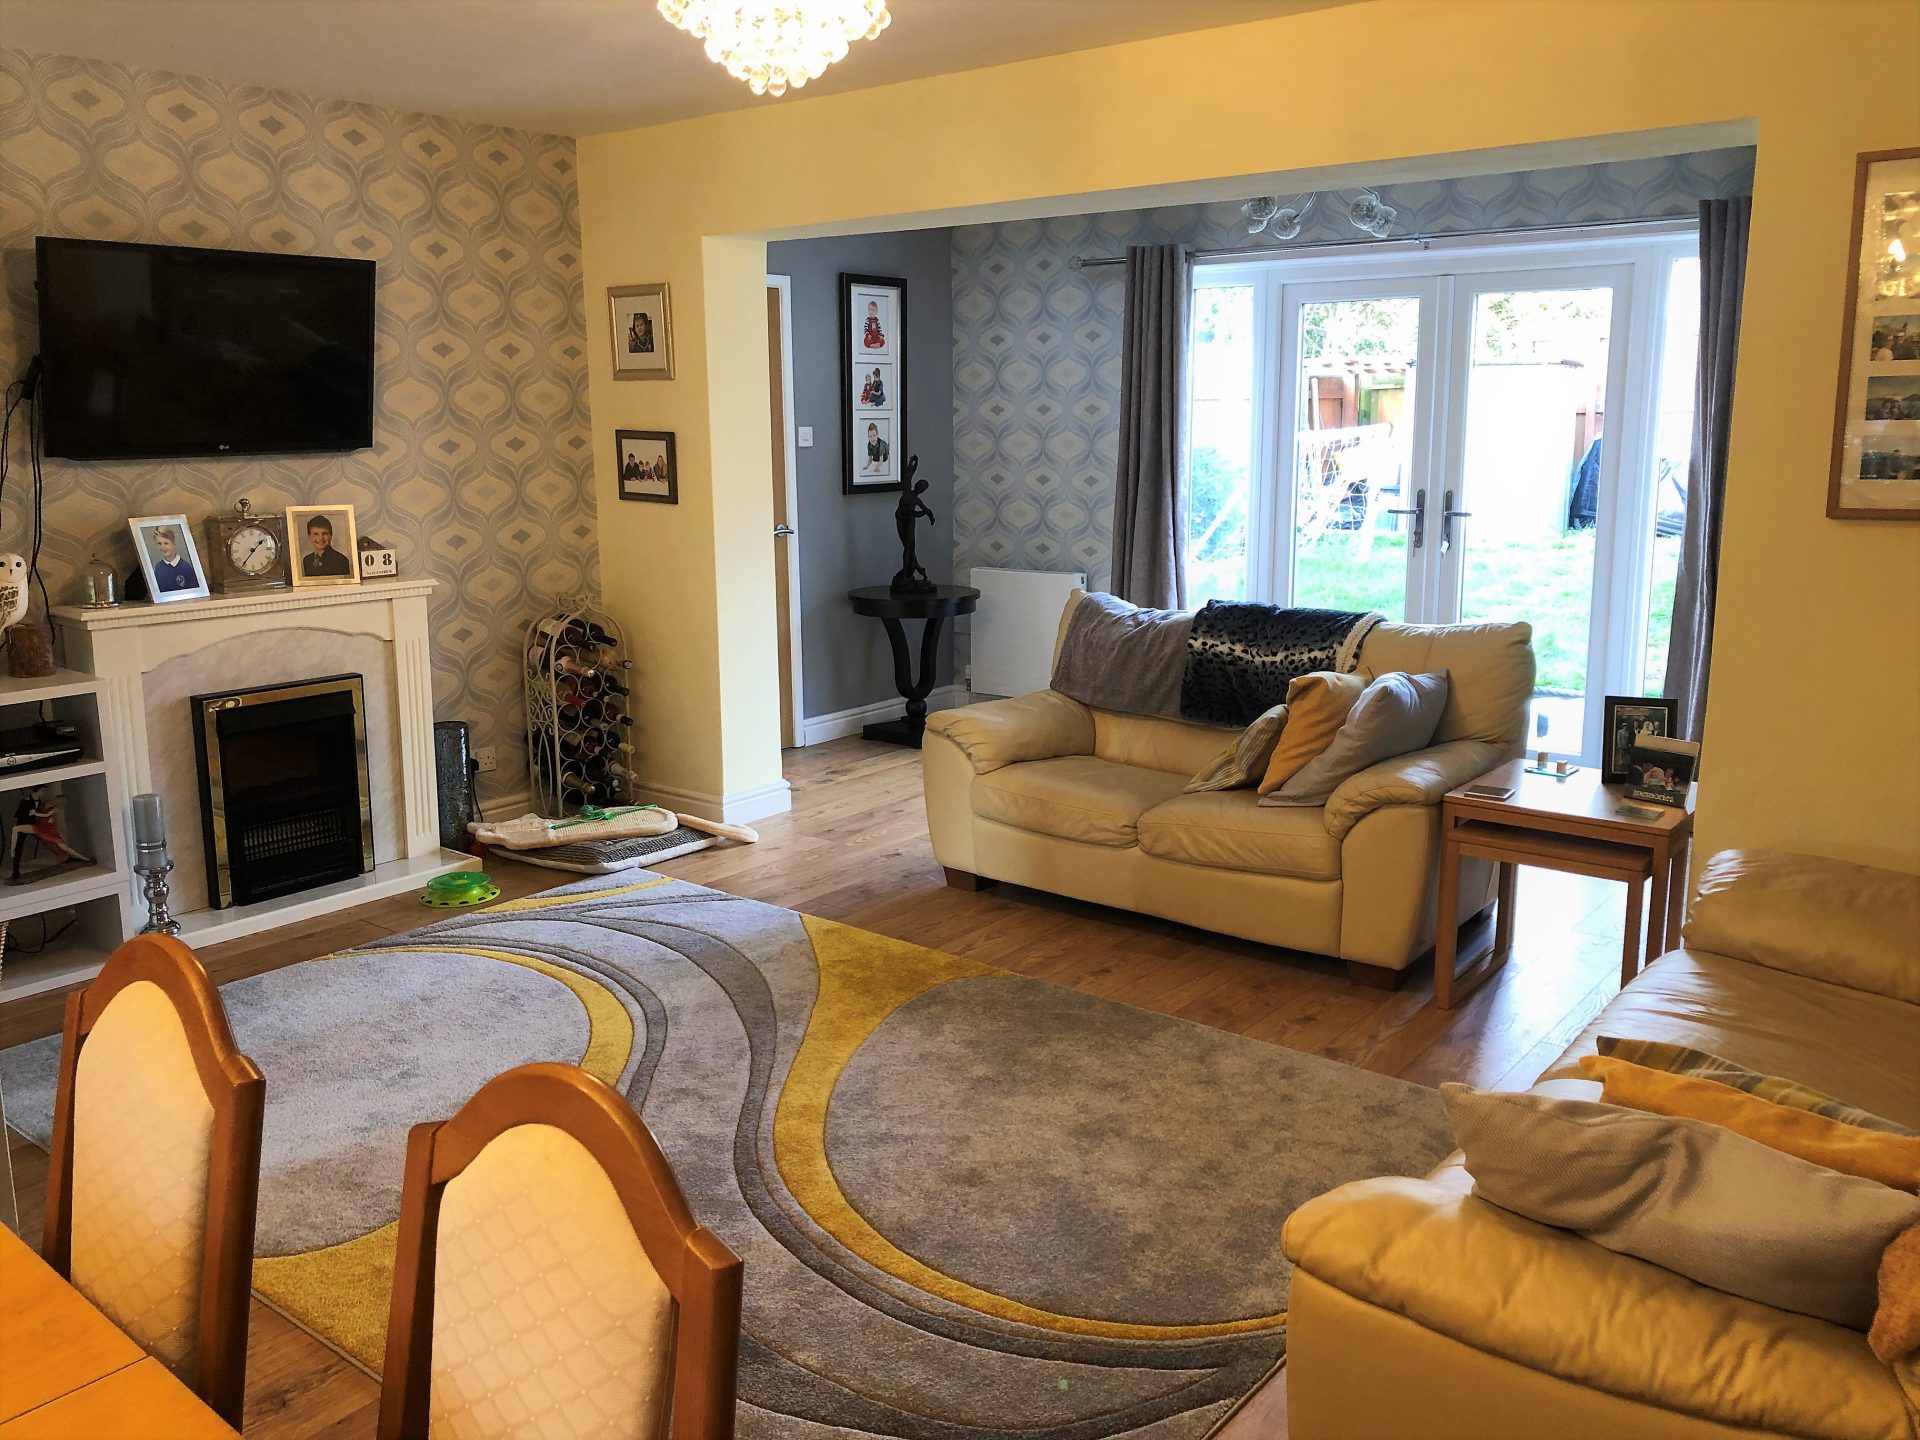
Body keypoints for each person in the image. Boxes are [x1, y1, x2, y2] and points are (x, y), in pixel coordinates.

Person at [148, 525, 199, 592]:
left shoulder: (186, 567)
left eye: (166, 543)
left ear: (174, 544)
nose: (163, 547)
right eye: (159, 544)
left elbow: (194, 591)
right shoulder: (158, 567)